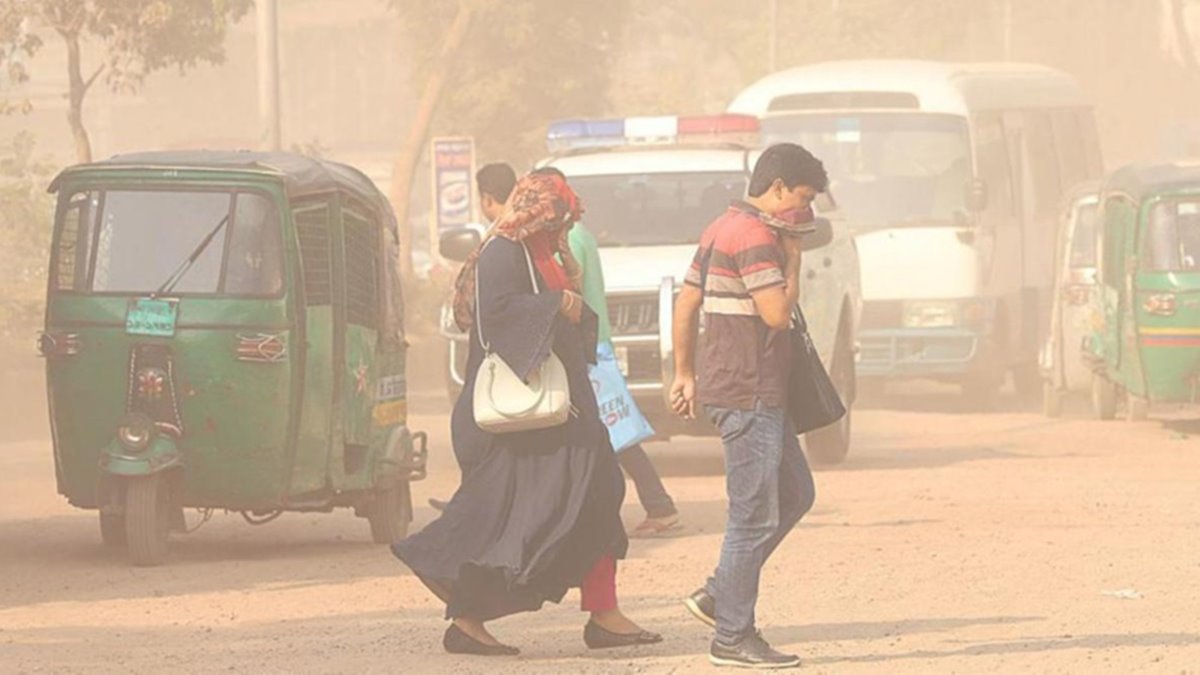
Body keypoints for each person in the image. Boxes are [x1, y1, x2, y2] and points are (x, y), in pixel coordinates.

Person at [392, 172, 662, 657]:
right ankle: (463, 608)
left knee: (599, 495)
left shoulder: (543, 253)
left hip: (567, 414)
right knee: (517, 518)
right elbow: (497, 314)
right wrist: (559, 301)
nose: (564, 228)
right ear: (537, 212)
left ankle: (604, 613)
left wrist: (569, 283)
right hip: (528, 422)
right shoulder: (504, 251)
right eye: (559, 218)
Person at [669, 143, 828, 669]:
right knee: (753, 517)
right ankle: (732, 635)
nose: (802, 211)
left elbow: (686, 302)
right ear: (778, 187)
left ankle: (721, 593)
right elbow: (778, 313)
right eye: (801, 197)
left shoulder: (720, 227)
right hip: (750, 391)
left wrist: (686, 373)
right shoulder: (759, 238)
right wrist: (796, 258)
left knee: (796, 493)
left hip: (739, 387)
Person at [533, 167, 682, 537]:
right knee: (609, 432)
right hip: (595, 342)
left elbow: (569, 291)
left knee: (614, 433)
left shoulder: (568, 237)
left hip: (586, 346)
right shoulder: (580, 233)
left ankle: (658, 504)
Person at [429, 162, 517, 512]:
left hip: (498, 352)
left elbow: (495, 303)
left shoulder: (503, 240)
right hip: (497, 350)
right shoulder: (507, 235)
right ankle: (474, 502)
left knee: (471, 426)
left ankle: (477, 507)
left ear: (486, 199)